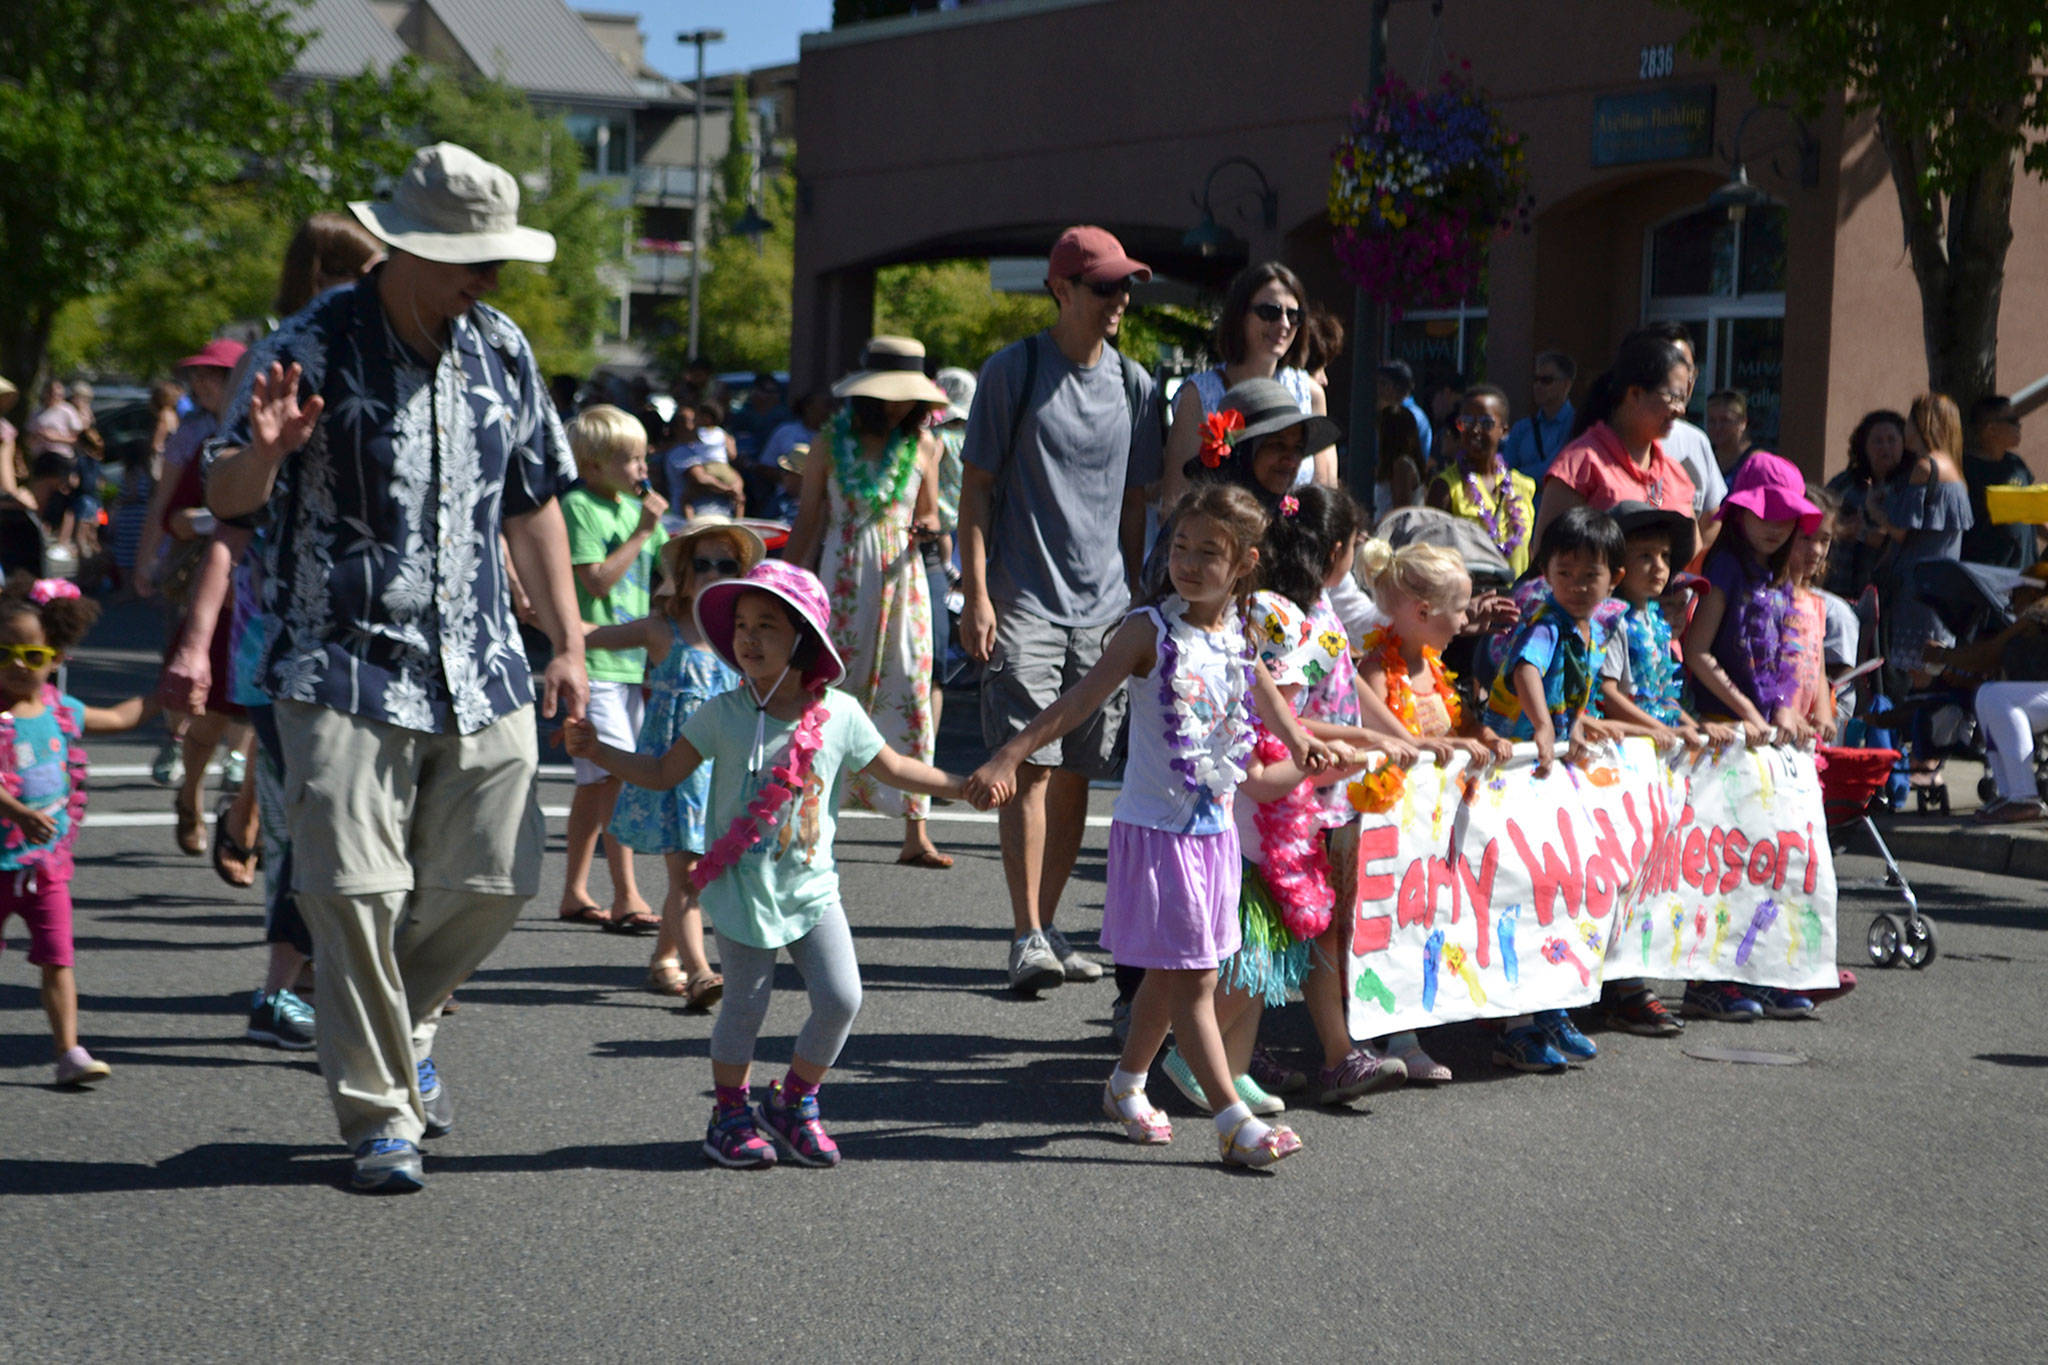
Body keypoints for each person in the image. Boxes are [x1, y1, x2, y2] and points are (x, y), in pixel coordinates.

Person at [205, 141, 591, 1195]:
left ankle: (406, 1020)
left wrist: (568, 641)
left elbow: (534, 501)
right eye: (475, 259)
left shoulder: (500, 348)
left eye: (497, 261)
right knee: (353, 890)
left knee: (498, 874)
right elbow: (228, 502)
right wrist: (269, 451)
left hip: (480, 659)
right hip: (336, 662)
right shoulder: (305, 346)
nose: (491, 280)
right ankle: (383, 1112)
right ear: (410, 247)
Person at [566, 561, 987, 1168]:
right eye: (741, 625)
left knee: (842, 999)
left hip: (813, 890)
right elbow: (661, 773)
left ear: (804, 639)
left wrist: (964, 784)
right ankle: (729, 1113)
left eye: (767, 624)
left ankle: (794, 1101)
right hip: (741, 890)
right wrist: (598, 749)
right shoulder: (721, 713)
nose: (749, 638)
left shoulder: (839, 714)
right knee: (745, 1006)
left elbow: (895, 769)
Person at [968, 484, 1337, 1168]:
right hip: (1158, 834)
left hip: (1213, 833)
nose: (1189, 563)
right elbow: (1079, 699)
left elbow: (1256, 681)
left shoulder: (1237, 633)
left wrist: (1296, 735)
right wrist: (1010, 752)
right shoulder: (1149, 630)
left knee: (1171, 976)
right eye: (1180, 547)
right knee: (1193, 975)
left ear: (1246, 562)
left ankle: (1127, 1083)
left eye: (1210, 552)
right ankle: (1232, 1118)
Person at [956, 225, 1164, 993]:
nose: (1120, 300)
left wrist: (1140, 595)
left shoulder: (1136, 384)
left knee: (1080, 770)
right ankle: (1024, 932)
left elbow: (1137, 501)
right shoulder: (1015, 371)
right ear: (1062, 289)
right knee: (1031, 767)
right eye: (1106, 286)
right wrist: (977, 595)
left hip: (1106, 604)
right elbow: (974, 490)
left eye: (1125, 286)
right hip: (1024, 599)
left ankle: (1049, 926)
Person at [784, 336, 950, 869]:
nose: (901, 407)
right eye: (891, 395)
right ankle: (810, 818)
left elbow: (931, 515)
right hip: (842, 577)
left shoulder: (926, 446)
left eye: (909, 397)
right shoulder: (829, 444)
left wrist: (930, 527)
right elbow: (810, 522)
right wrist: (787, 590)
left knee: (911, 690)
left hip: (903, 583)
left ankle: (915, 832)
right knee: (827, 692)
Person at [1350, 538, 1510, 1083]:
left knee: (1424, 925)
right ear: (1423, 613)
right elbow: (1380, 734)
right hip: (1393, 824)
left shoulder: (1435, 668)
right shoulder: (1379, 667)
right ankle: (1396, 1034)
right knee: (1391, 927)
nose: (1468, 620)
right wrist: (1425, 746)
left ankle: (1409, 1024)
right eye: (1461, 609)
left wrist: (1482, 734)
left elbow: (1457, 725)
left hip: (1435, 830)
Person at [1481, 507, 1627, 1070]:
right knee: (1519, 893)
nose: (1577, 585)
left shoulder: (1591, 627)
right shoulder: (1546, 622)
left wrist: (1578, 724)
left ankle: (1550, 1007)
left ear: (1614, 577)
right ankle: (1517, 1023)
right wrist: (1544, 727)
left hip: (1545, 775)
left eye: (1590, 575)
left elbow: (1572, 688)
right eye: (1564, 573)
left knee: (1558, 890)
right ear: (1545, 571)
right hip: (1513, 768)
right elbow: (1527, 672)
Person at [1679, 452, 1823, 1022]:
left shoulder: (1775, 574)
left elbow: (1785, 657)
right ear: (1739, 511)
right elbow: (1698, 651)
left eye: (1787, 517)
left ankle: (1760, 969)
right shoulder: (1727, 567)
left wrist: (1787, 709)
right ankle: (1710, 980)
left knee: (1766, 858)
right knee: (1721, 863)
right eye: (1764, 513)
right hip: (1721, 732)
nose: (1774, 525)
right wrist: (1748, 713)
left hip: (1762, 737)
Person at [601, 518, 764, 1004]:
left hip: (723, 770)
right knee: (690, 875)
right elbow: (594, 637)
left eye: (727, 565)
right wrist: (550, 620)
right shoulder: (662, 629)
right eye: (703, 564)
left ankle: (663, 958)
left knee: (696, 872)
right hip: (675, 769)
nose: (714, 573)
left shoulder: (743, 633)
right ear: (685, 575)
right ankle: (699, 971)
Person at [0, 577, 151, 1086]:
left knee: (58, 959)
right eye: (5, 652)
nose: (19, 663)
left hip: (45, 870)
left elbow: (118, 717)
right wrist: (18, 812)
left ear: (56, 658)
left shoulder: (63, 712)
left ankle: (69, 1052)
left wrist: (163, 698)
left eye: (32, 652)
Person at [1589, 502, 1730, 1038]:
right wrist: (1657, 727)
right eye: (1644, 555)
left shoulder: (1654, 618)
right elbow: (1608, 692)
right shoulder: (1614, 620)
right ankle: (1622, 988)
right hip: (1621, 760)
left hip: (1654, 756)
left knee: (1653, 874)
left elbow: (1661, 692)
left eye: (1665, 557)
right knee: (1620, 874)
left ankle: (1627, 980)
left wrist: (1691, 723)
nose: (1658, 568)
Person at [139, 338, 253, 858]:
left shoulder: (268, 428)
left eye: (216, 374)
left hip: (267, 585)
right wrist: (149, 558)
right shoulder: (193, 435)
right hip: (209, 582)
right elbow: (169, 510)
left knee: (266, 711)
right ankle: (191, 795)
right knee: (208, 708)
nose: (204, 383)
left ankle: (245, 820)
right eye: (199, 375)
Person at [557, 404, 668, 932]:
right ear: (593, 465)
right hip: (594, 660)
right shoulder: (581, 506)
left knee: (596, 783)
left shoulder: (631, 508)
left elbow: (668, 574)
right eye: (629, 460)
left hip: (628, 663)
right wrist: (644, 534)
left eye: (643, 458)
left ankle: (575, 891)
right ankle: (626, 895)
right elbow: (597, 582)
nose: (642, 469)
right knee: (615, 778)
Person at [1159, 261, 1335, 510]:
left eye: (1293, 315)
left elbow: (1326, 491)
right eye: (1270, 312)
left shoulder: (1310, 394)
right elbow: (1175, 502)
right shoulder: (1198, 395)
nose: (1284, 324)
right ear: (1240, 315)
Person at [1534, 332, 1698, 545]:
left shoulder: (1675, 474)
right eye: (1674, 397)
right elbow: (1547, 556)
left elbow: (1694, 553)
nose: (1681, 410)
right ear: (1635, 394)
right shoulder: (1581, 466)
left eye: (1684, 399)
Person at [1865, 394, 1972, 689]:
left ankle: (1923, 731)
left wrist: (1875, 509)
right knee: (1932, 667)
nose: (1905, 429)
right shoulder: (1953, 467)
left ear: (1923, 423)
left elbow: (1901, 531)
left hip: (1917, 588)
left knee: (1920, 673)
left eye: (1910, 420)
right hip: (1940, 586)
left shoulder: (1925, 467)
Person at [1428, 384, 1537, 577]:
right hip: (1469, 601)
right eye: (1467, 422)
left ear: (1503, 430)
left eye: (1486, 423)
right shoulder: (1445, 487)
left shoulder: (1523, 486)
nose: (1475, 430)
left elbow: (1528, 551)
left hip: (1516, 602)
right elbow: (1434, 558)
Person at [1825, 409, 1910, 599]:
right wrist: (1840, 528)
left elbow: (1911, 538)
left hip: (1887, 592)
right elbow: (1817, 519)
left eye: (1891, 440)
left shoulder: (1910, 487)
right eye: (1877, 441)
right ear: (1864, 446)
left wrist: (1867, 534)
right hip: (1839, 584)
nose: (1885, 447)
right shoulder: (1844, 484)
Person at [1960, 396, 2035, 569]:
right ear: (1991, 430)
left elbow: (2037, 514)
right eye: (2012, 420)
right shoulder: (1967, 470)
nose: (2019, 425)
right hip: (1991, 580)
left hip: (2026, 577)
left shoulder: (2016, 464)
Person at [664, 397, 744, 517]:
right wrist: (728, 489)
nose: (697, 423)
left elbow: (730, 458)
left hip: (720, 514)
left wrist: (737, 483)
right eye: (691, 420)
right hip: (699, 517)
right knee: (686, 500)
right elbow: (700, 478)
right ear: (679, 426)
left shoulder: (699, 446)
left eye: (696, 418)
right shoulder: (680, 452)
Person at [1503, 350, 1576, 480]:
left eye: (1546, 380)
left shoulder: (1576, 424)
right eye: (1535, 379)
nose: (1538, 386)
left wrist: (1516, 476)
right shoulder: (1521, 428)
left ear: (1566, 385)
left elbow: (1554, 470)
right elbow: (1503, 472)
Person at [1376, 358, 1433, 469]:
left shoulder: (1408, 416)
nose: (1378, 388)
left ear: (1395, 387)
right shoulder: (1396, 413)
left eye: (1383, 383)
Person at [1705, 389, 1759, 483]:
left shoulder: (1755, 462)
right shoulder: (1705, 459)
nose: (1717, 427)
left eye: (1725, 420)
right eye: (1712, 421)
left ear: (1742, 422)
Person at [24, 380, 84, 461]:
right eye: (51, 394)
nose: (54, 397)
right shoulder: (36, 412)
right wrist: (37, 437)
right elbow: (28, 437)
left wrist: (56, 438)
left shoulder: (68, 411)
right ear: (45, 393)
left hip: (61, 456)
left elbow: (78, 439)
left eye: (58, 395)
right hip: (39, 456)